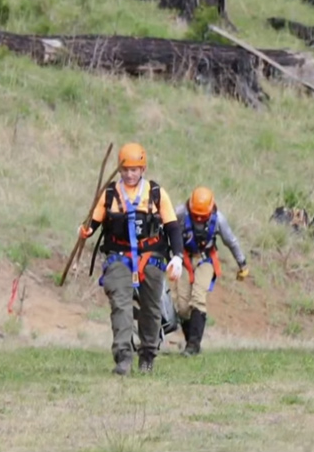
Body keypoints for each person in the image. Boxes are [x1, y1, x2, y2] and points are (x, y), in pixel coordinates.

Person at [78, 142, 186, 376]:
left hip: (152, 257)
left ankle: (147, 354)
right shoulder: (108, 195)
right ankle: (123, 357)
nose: (129, 174)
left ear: (143, 169)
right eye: (125, 169)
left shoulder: (156, 193)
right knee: (121, 304)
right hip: (118, 257)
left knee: (151, 308)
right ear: (119, 170)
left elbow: (172, 227)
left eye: (134, 169)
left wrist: (177, 257)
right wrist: (86, 230)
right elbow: (93, 223)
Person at [171, 186, 249, 356]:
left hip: (205, 259)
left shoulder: (219, 219)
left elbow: (231, 241)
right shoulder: (180, 213)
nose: (199, 219)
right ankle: (190, 341)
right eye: (196, 215)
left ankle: (193, 346)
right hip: (184, 259)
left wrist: (242, 263)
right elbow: (166, 228)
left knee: (198, 298)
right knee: (182, 306)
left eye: (202, 216)